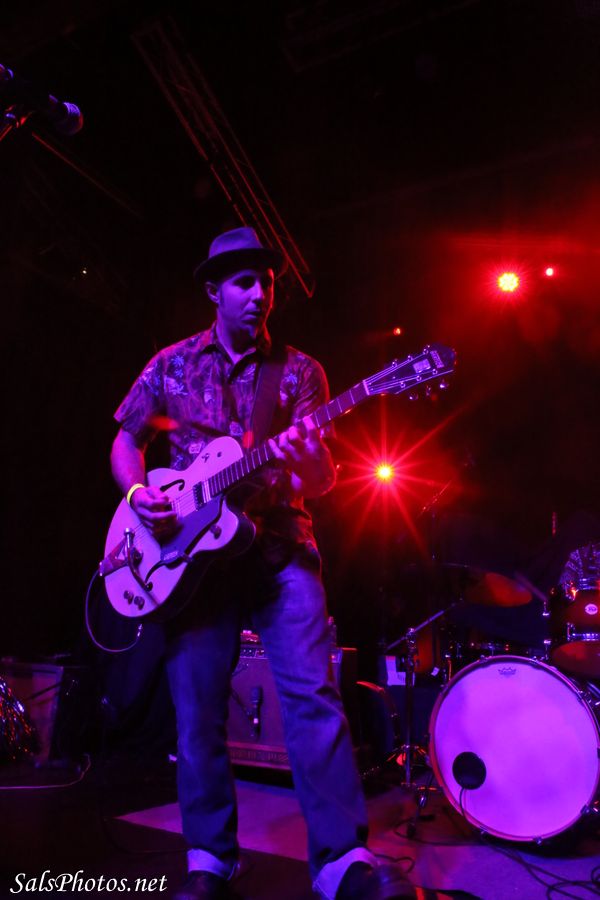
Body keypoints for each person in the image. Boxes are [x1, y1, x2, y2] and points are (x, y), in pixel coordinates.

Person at [110, 228, 413, 900]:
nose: (259, 294)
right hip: (193, 562)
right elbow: (126, 443)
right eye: (244, 282)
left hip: (280, 550)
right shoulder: (170, 364)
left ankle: (340, 861)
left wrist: (306, 455)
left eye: (267, 282)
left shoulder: (301, 372)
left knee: (313, 699)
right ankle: (209, 860)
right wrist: (138, 494)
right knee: (197, 712)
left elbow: (320, 481)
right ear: (213, 290)